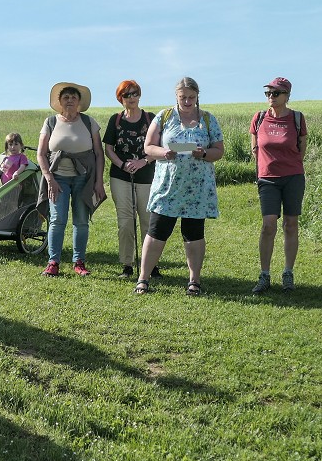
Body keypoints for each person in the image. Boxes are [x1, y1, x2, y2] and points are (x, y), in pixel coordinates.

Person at [134, 77, 224, 296]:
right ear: (176, 96)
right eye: (183, 97)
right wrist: (164, 152)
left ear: (197, 96)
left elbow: (219, 151)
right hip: (168, 187)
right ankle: (143, 279)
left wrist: (203, 153)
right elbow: (148, 147)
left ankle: (194, 281)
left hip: (197, 188)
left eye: (191, 97)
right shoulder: (164, 117)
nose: (187, 101)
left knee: (193, 234)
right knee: (156, 232)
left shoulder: (208, 119)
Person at [37, 82, 105, 276]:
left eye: (73, 97)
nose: (69, 100)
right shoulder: (50, 122)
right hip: (58, 179)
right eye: (65, 97)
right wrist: (49, 179)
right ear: (59, 101)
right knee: (57, 219)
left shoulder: (89, 122)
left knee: (81, 221)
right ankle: (53, 262)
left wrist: (99, 182)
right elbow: (41, 154)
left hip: (84, 179)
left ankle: (79, 262)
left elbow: (99, 154)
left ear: (79, 102)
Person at [250, 76, 307, 294]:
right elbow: (255, 148)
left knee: (291, 224)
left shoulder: (297, 118)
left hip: (293, 177)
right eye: (268, 93)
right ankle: (264, 275)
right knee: (268, 225)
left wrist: (290, 165)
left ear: (287, 95)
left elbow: (301, 149)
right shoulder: (259, 118)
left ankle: (288, 273)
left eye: (275, 93)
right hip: (267, 179)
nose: (270, 97)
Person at [103, 79, 156, 278]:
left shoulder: (150, 119)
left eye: (134, 93)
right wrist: (123, 164)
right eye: (127, 95)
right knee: (125, 222)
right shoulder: (115, 120)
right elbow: (108, 149)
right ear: (120, 99)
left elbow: (158, 147)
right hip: (120, 176)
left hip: (147, 175)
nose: (131, 98)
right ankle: (127, 265)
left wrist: (144, 161)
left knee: (147, 220)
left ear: (140, 95)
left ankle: (150, 265)